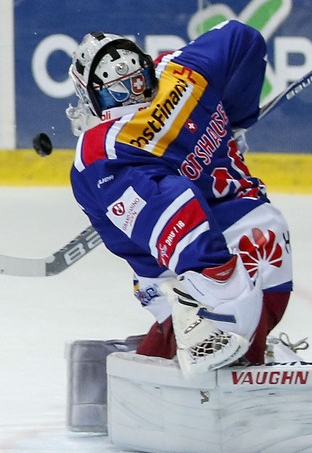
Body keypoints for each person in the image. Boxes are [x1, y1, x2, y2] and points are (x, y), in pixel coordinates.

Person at [65, 20, 293, 376]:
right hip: (266, 244)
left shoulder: (102, 149)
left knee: (95, 189)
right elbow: (243, 37)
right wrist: (238, 118)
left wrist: (218, 284)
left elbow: (178, 209)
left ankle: (212, 335)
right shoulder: (181, 69)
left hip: (226, 275)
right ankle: (204, 333)